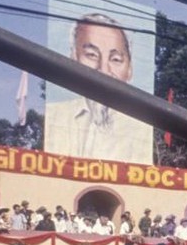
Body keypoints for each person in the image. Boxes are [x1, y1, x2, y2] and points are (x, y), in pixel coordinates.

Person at [43, 13, 152, 163]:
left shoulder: (143, 129)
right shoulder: (53, 116)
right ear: (73, 58)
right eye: (92, 55)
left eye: (115, 59)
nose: (103, 70)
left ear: (129, 70)